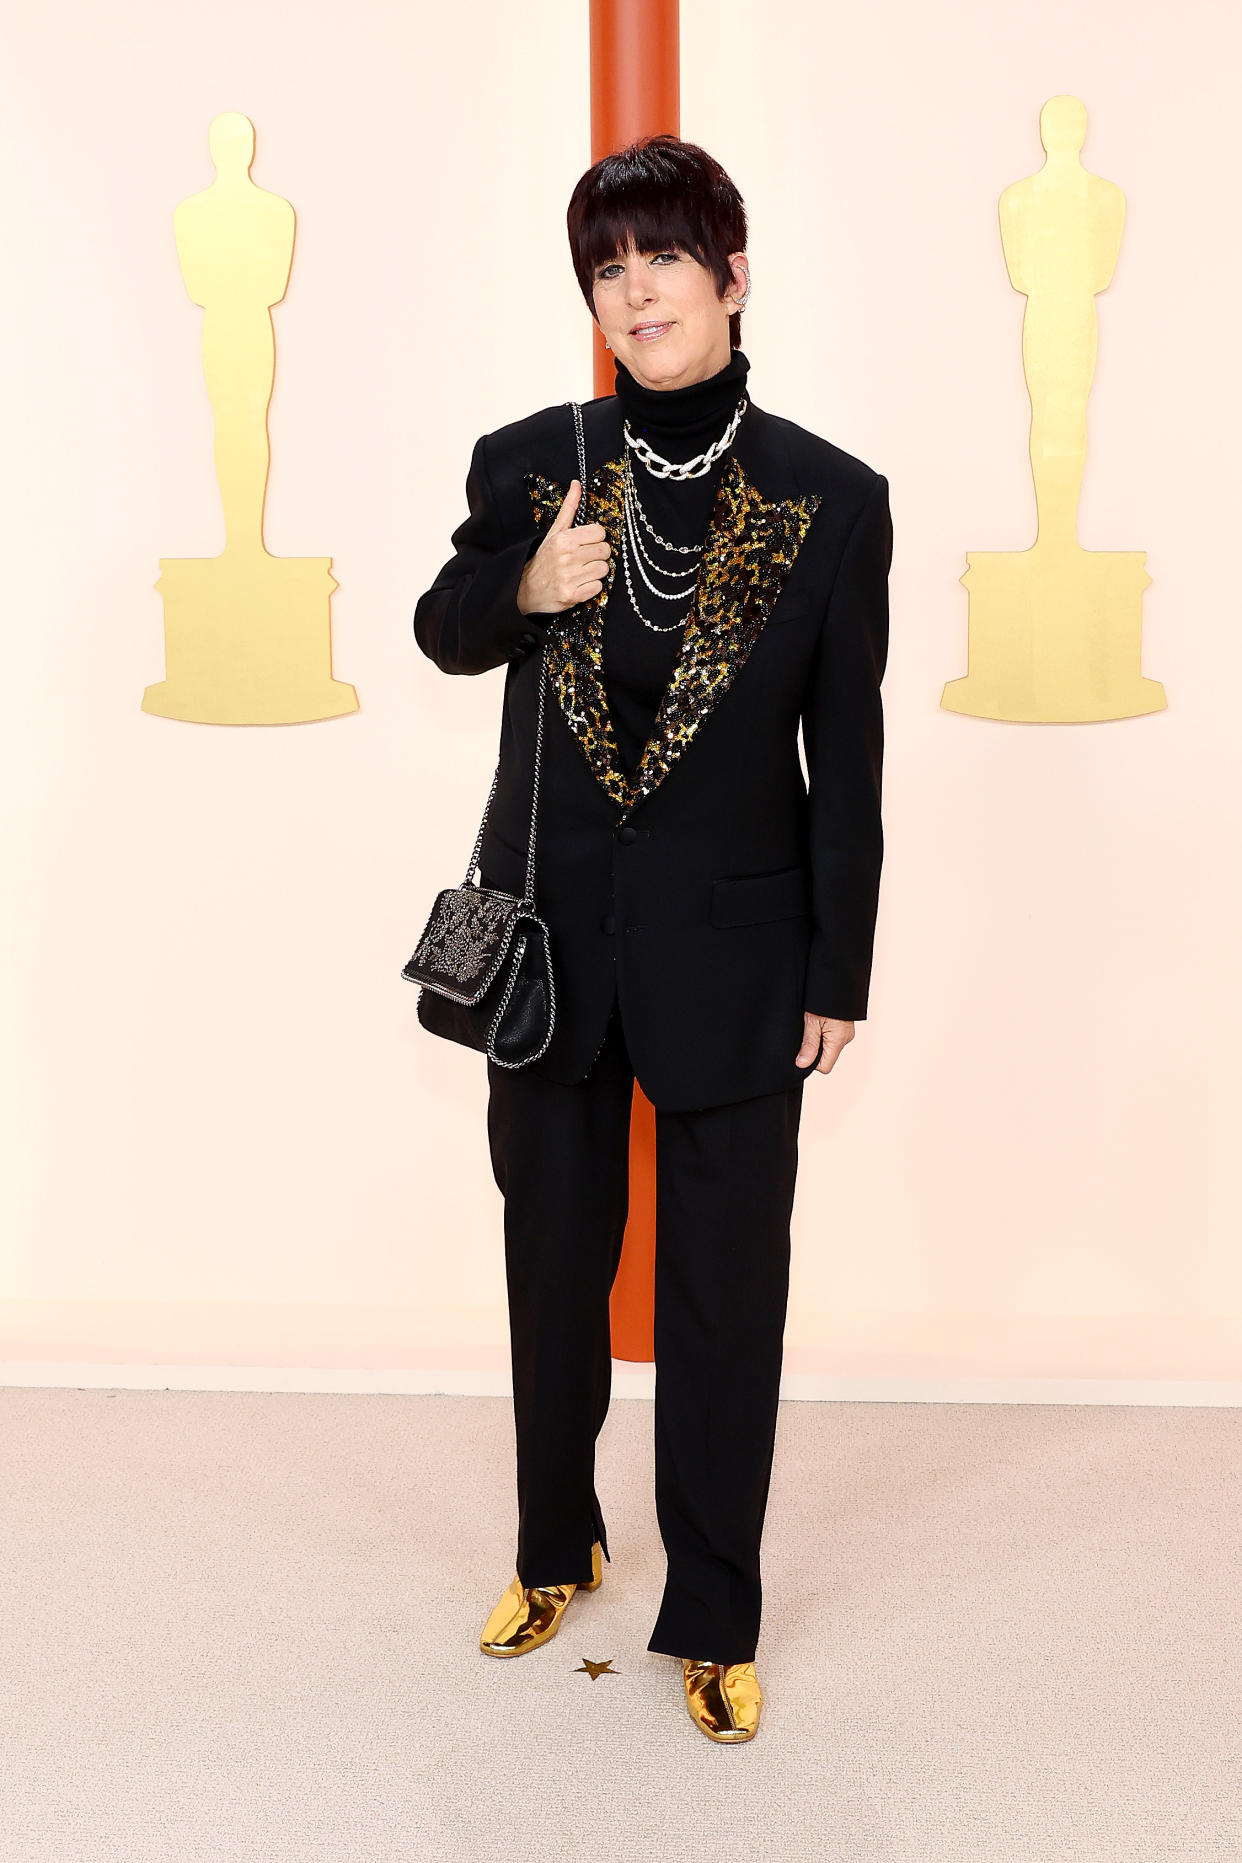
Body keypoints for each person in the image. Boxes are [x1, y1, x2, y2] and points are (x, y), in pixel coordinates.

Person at [413, 134, 892, 1744]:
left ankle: (717, 1611)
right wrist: (523, 587)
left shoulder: (832, 499)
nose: (636, 295)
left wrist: (837, 971)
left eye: (662, 262)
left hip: (743, 961)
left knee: (722, 1298)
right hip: (554, 953)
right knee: (550, 1276)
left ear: (731, 276)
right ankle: (558, 1545)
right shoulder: (532, 460)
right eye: (607, 272)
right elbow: (438, 628)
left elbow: (847, 758)